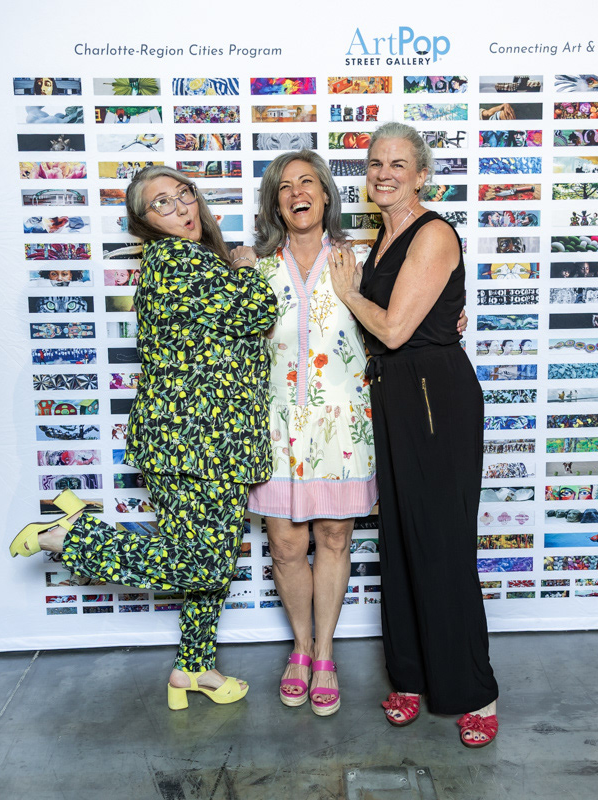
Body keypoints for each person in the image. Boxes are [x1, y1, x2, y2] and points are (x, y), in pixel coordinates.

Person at [9, 165, 278, 711]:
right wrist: (249, 267)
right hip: (192, 442)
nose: (181, 207)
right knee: (203, 564)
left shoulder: (195, 261)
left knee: (208, 565)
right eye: (163, 203)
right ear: (144, 222)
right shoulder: (177, 260)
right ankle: (70, 536)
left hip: (214, 441)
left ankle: (193, 668)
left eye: (184, 194)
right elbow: (260, 310)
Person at [328, 122, 499, 748]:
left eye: (398, 164)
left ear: (421, 175)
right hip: (394, 396)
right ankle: (410, 676)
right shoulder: (383, 236)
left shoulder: (432, 233)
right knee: (399, 542)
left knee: (442, 543)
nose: (384, 174)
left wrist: (349, 293)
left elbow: (396, 330)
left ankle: (473, 691)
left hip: (435, 399)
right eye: (376, 163)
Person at [228, 151, 378, 717]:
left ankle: (326, 654)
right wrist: (238, 268)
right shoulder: (255, 268)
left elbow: (400, 319)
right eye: (285, 186)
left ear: (325, 194)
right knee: (287, 546)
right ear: (275, 203)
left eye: (307, 181)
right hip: (275, 428)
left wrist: (450, 318)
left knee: (335, 538)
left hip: (343, 426)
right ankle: (301, 647)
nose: (297, 192)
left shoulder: (359, 260)